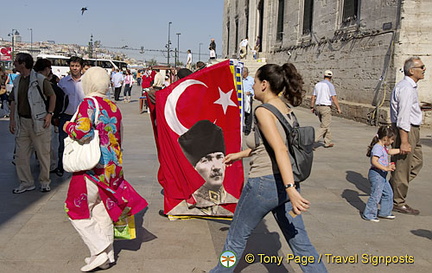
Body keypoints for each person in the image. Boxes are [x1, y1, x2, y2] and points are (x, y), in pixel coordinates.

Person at [210, 63, 327, 272]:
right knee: (301, 243)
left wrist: (291, 189)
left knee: (235, 240)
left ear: (264, 84)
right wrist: (241, 155)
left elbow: (281, 149)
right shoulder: (286, 109)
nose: (252, 86)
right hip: (284, 183)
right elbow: (272, 145)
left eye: (254, 82)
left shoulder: (263, 111)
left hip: (264, 185)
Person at [63, 67, 148, 272]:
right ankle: (107, 256)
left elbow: (82, 131)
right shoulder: (112, 106)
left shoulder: (88, 104)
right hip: (112, 169)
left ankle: (99, 249)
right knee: (102, 211)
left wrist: (68, 127)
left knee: (75, 209)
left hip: (91, 168)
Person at [8, 53, 56, 194]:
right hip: (22, 122)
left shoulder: (40, 80)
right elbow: (13, 102)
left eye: (16, 61)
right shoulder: (17, 81)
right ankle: (26, 182)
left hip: (39, 122)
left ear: (23, 63)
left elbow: (52, 96)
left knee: (43, 154)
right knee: (21, 156)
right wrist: (12, 120)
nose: (14, 64)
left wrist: (50, 114)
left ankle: (44, 182)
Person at [169, 120, 237, 216]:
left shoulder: (234, 202)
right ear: (194, 167)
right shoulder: (180, 207)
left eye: (219, 157)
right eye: (206, 160)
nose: (216, 167)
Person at [389, 56, 425, 215]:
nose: (424, 70)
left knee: (416, 162)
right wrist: (404, 141)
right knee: (403, 166)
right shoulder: (406, 88)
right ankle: (397, 200)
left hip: (413, 129)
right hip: (406, 130)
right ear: (412, 71)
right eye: (422, 67)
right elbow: (403, 116)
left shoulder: (410, 87)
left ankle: (392, 188)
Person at [362, 126, 400, 222]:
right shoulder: (377, 147)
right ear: (385, 138)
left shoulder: (383, 147)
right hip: (376, 174)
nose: (392, 142)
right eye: (391, 140)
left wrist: (401, 150)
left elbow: (389, 152)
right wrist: (386, 168)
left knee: (388, 193)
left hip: (382, 174)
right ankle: (369, 214)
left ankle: (385, 212)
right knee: (376, 195)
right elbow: (374, 161)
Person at [55, 56, 85, 177]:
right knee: (63, 142)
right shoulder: (63, 82)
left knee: (82, 143)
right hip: (66, 117)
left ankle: (81, 167)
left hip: (82, 118)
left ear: (81, 67)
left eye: (77, 66)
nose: (74, 68)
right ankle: (60, 166)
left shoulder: (86, 81)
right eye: (72, 66)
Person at [310, 70, 342, 148]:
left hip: (318, 106)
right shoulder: (330, 85)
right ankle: (312, 142)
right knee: (324, 126)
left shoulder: (317, 85)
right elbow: (333, 97)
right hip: (325, 107)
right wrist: (338, 108)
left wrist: (312, 106)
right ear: (331, 77)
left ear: (324, 76)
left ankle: (327, 142)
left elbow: (313, 96)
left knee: (325, 124)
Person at [242, 67, 254, 135]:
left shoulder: (251, 80)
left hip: (248, 98)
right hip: (241, 98)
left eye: (242, 72)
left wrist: (250, 92)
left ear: (245, 72)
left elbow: (254, 88)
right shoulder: (240, 80)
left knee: (248, 114)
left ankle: (247, 129)